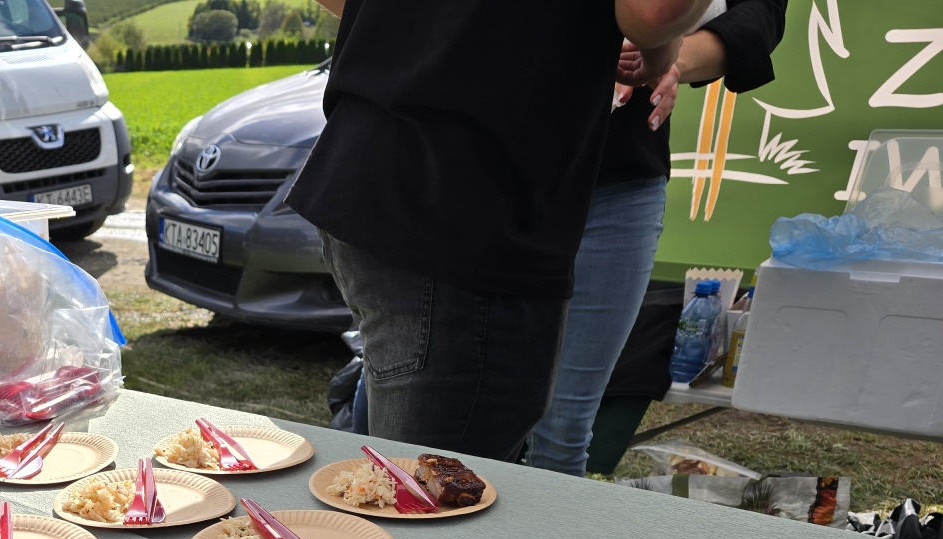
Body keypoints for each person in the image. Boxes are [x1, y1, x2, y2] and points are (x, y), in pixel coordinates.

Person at [291, 0, 716, 461]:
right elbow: (654, 12)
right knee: (435, 487)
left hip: (374, 158)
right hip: (468, 199)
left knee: (404, 472)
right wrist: (657, 54)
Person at [527, 0, 788, 476]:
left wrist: (668, 59)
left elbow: (757, 12)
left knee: (563, 430)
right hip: (485, 167)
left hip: (618, 175)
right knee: (452, 416)